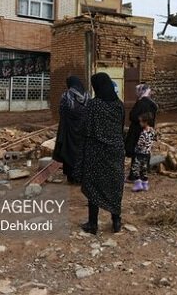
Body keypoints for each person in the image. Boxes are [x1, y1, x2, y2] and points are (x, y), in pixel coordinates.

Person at [79, 72, 126, 235]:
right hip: (116, 150)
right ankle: (116, 221)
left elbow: (84, 127)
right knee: (115, 185)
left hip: (96, 151)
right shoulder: (119, 104)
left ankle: (93, 224)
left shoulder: (94, 105)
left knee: (93, 186)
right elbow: (120, 127)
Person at [53, 76, 89, 184]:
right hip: (83, 130)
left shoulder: (66, 95)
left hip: (69, 130)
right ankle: (82, 177)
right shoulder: (87, 96)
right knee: (82, 152)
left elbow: (62, 111)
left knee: (69, 151)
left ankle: (72, 178)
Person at [125, 84, 158, 182]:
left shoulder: (140, 103)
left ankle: (134, 176)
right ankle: (144, 176)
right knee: (146, 153)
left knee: (137, 154)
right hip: (148, 130)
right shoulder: (152, 104)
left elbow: (132, 116)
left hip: (137, 131)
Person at [131, 112, 156, 192]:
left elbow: (140, 144)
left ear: (145, 122)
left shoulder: (143, 133)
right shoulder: (152, 131)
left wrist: (135, 148)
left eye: (141, 121)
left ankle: (138, 184)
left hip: (140, 153)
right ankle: (145, 184)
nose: (140, 123)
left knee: (136, 168)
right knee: (144, 168)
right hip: (147, 153)